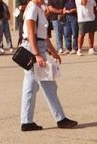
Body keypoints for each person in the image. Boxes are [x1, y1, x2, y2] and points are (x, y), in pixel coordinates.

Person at [20, 0, 78, 131]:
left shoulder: (39, 8)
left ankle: (26, 121)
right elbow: (30, 33)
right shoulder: (33, 8)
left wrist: (53, 51)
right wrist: (37, 54)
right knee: (47, 84)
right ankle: (60, 119)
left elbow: (43, 36)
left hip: (37, 47)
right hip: (33, 48)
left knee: (31, 86)